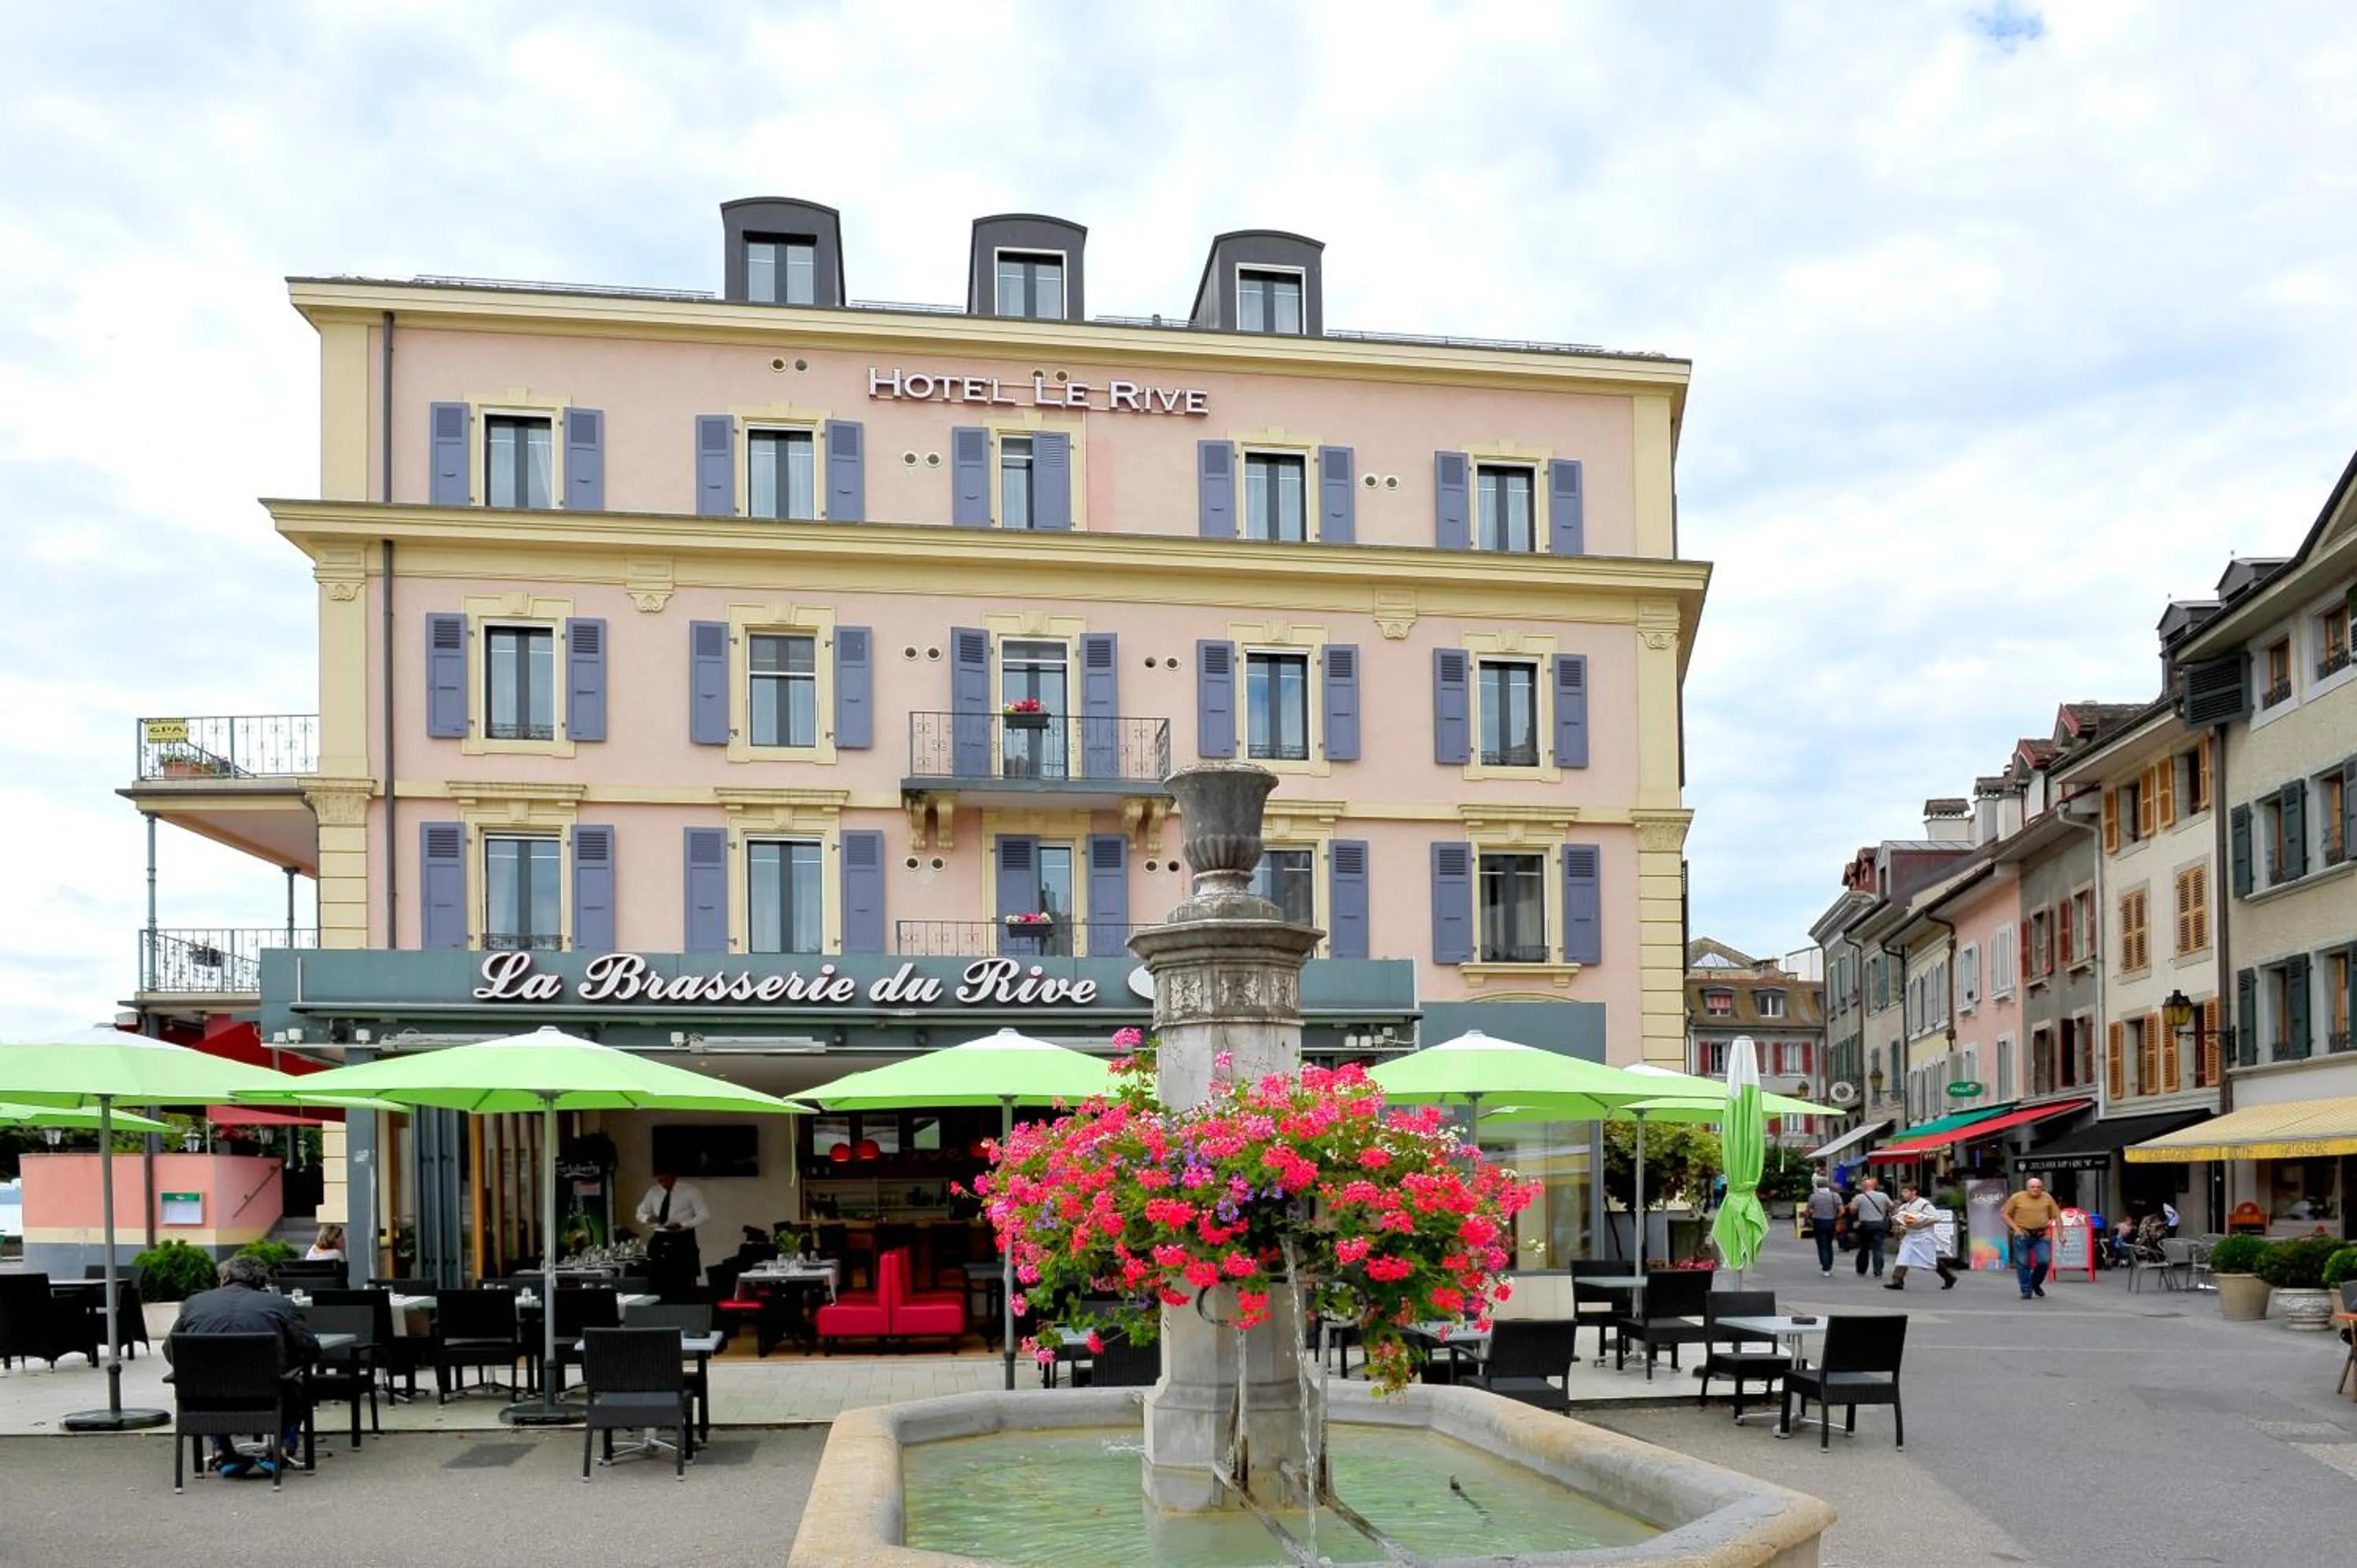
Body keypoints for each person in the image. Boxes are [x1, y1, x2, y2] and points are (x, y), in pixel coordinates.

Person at [165, 1253, 320, 1478]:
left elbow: (171, 1350)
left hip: (206, 1401)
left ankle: (222, 1451)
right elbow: (310, 1347)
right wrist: (288, 1361)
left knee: (210, 1379)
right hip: (267, 1397)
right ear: (261, 1281)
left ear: (226, 1277)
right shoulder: (279, 1305)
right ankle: (283, 1449)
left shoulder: (194, 1304)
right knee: (296, 1384)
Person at [633, 1169, 711, 1300]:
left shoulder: (690, 1191)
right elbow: (640, 1212)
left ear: (673, 1177)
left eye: (665, 1180)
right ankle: (658, 1300)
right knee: (657, 1272)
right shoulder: (654, 1192)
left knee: (682, 1275)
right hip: (660, 1235)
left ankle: (682, 1300)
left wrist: (683, 1224)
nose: (662, 1184)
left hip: (683, 1237)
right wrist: (648, 1218)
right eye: (660, 1181)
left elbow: (704, 1215)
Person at [1883, 1181, 1957, 1291]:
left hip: (1923, 1236)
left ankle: (1949, 1277)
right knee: (1903, 1257)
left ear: (1914, 1192)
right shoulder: (1905, 1206)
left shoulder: (1924, 1204)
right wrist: (1898, 1233)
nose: (1903, 1194)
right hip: (1910, 1236)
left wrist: (1920, 1221)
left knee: (1930, 1259)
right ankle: (1897, 1280)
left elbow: (1936, 1217)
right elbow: (1900, 1221)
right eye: (1903, 1192)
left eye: (1906, 1191)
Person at [2001, 1175, 2065, 1300]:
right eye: (2033, 1187)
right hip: (2023, 1234)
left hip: (2042, 1235)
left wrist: (2061, 1235)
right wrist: (2016, 1229)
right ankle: (2026, 1290)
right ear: (2027, 1188)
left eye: (2039, 1187)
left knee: (2043, 1262)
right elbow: (2004, 1214)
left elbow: (2057, 1217)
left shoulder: (2047, 1198)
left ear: (2042, 1188)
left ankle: (2035, 1283)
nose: (2036, 1189)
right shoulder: (2017, 1198)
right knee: (2023, 1263)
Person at [1849, 1174, 1894, 1278]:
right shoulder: (1883, 1196)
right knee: (1878, 1248)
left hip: (1865, 1225)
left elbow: (1852, 1210)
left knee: (1864, 1248)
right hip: (1879, 1224)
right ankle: (1878, 1271)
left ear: (1864, 1187)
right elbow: (1892, 1207)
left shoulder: (1859, 1197)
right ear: (1873, 1187)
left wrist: (1860, 1210)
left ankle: (1862, 1269)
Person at [1805, 1177, 1843, 1277]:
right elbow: (1842, 1211)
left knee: (1821, 1245)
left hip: (1818, 1222)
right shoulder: (1835, 1196)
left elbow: (1807, 1211)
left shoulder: (1813, 1197)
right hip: (1831, 1222)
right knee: (1829, 1244)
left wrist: (1808, 1219)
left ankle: (1826, 1267)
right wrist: (1836, 1217)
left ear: (1817, 1186)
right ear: (1828, 1185)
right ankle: (1829, 1264)